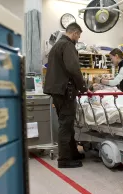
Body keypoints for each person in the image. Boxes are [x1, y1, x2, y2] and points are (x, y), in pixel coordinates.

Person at [43, 23, 87, 168]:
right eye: (78, 36)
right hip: (65, 91)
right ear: (74, 33)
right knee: (66, 124)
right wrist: (82, 87)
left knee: (67, 124)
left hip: (57, 91)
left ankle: (72, 153)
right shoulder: (68, 46)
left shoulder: (56, 46)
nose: (78, 39)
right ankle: (64, 160)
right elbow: (74, 69)